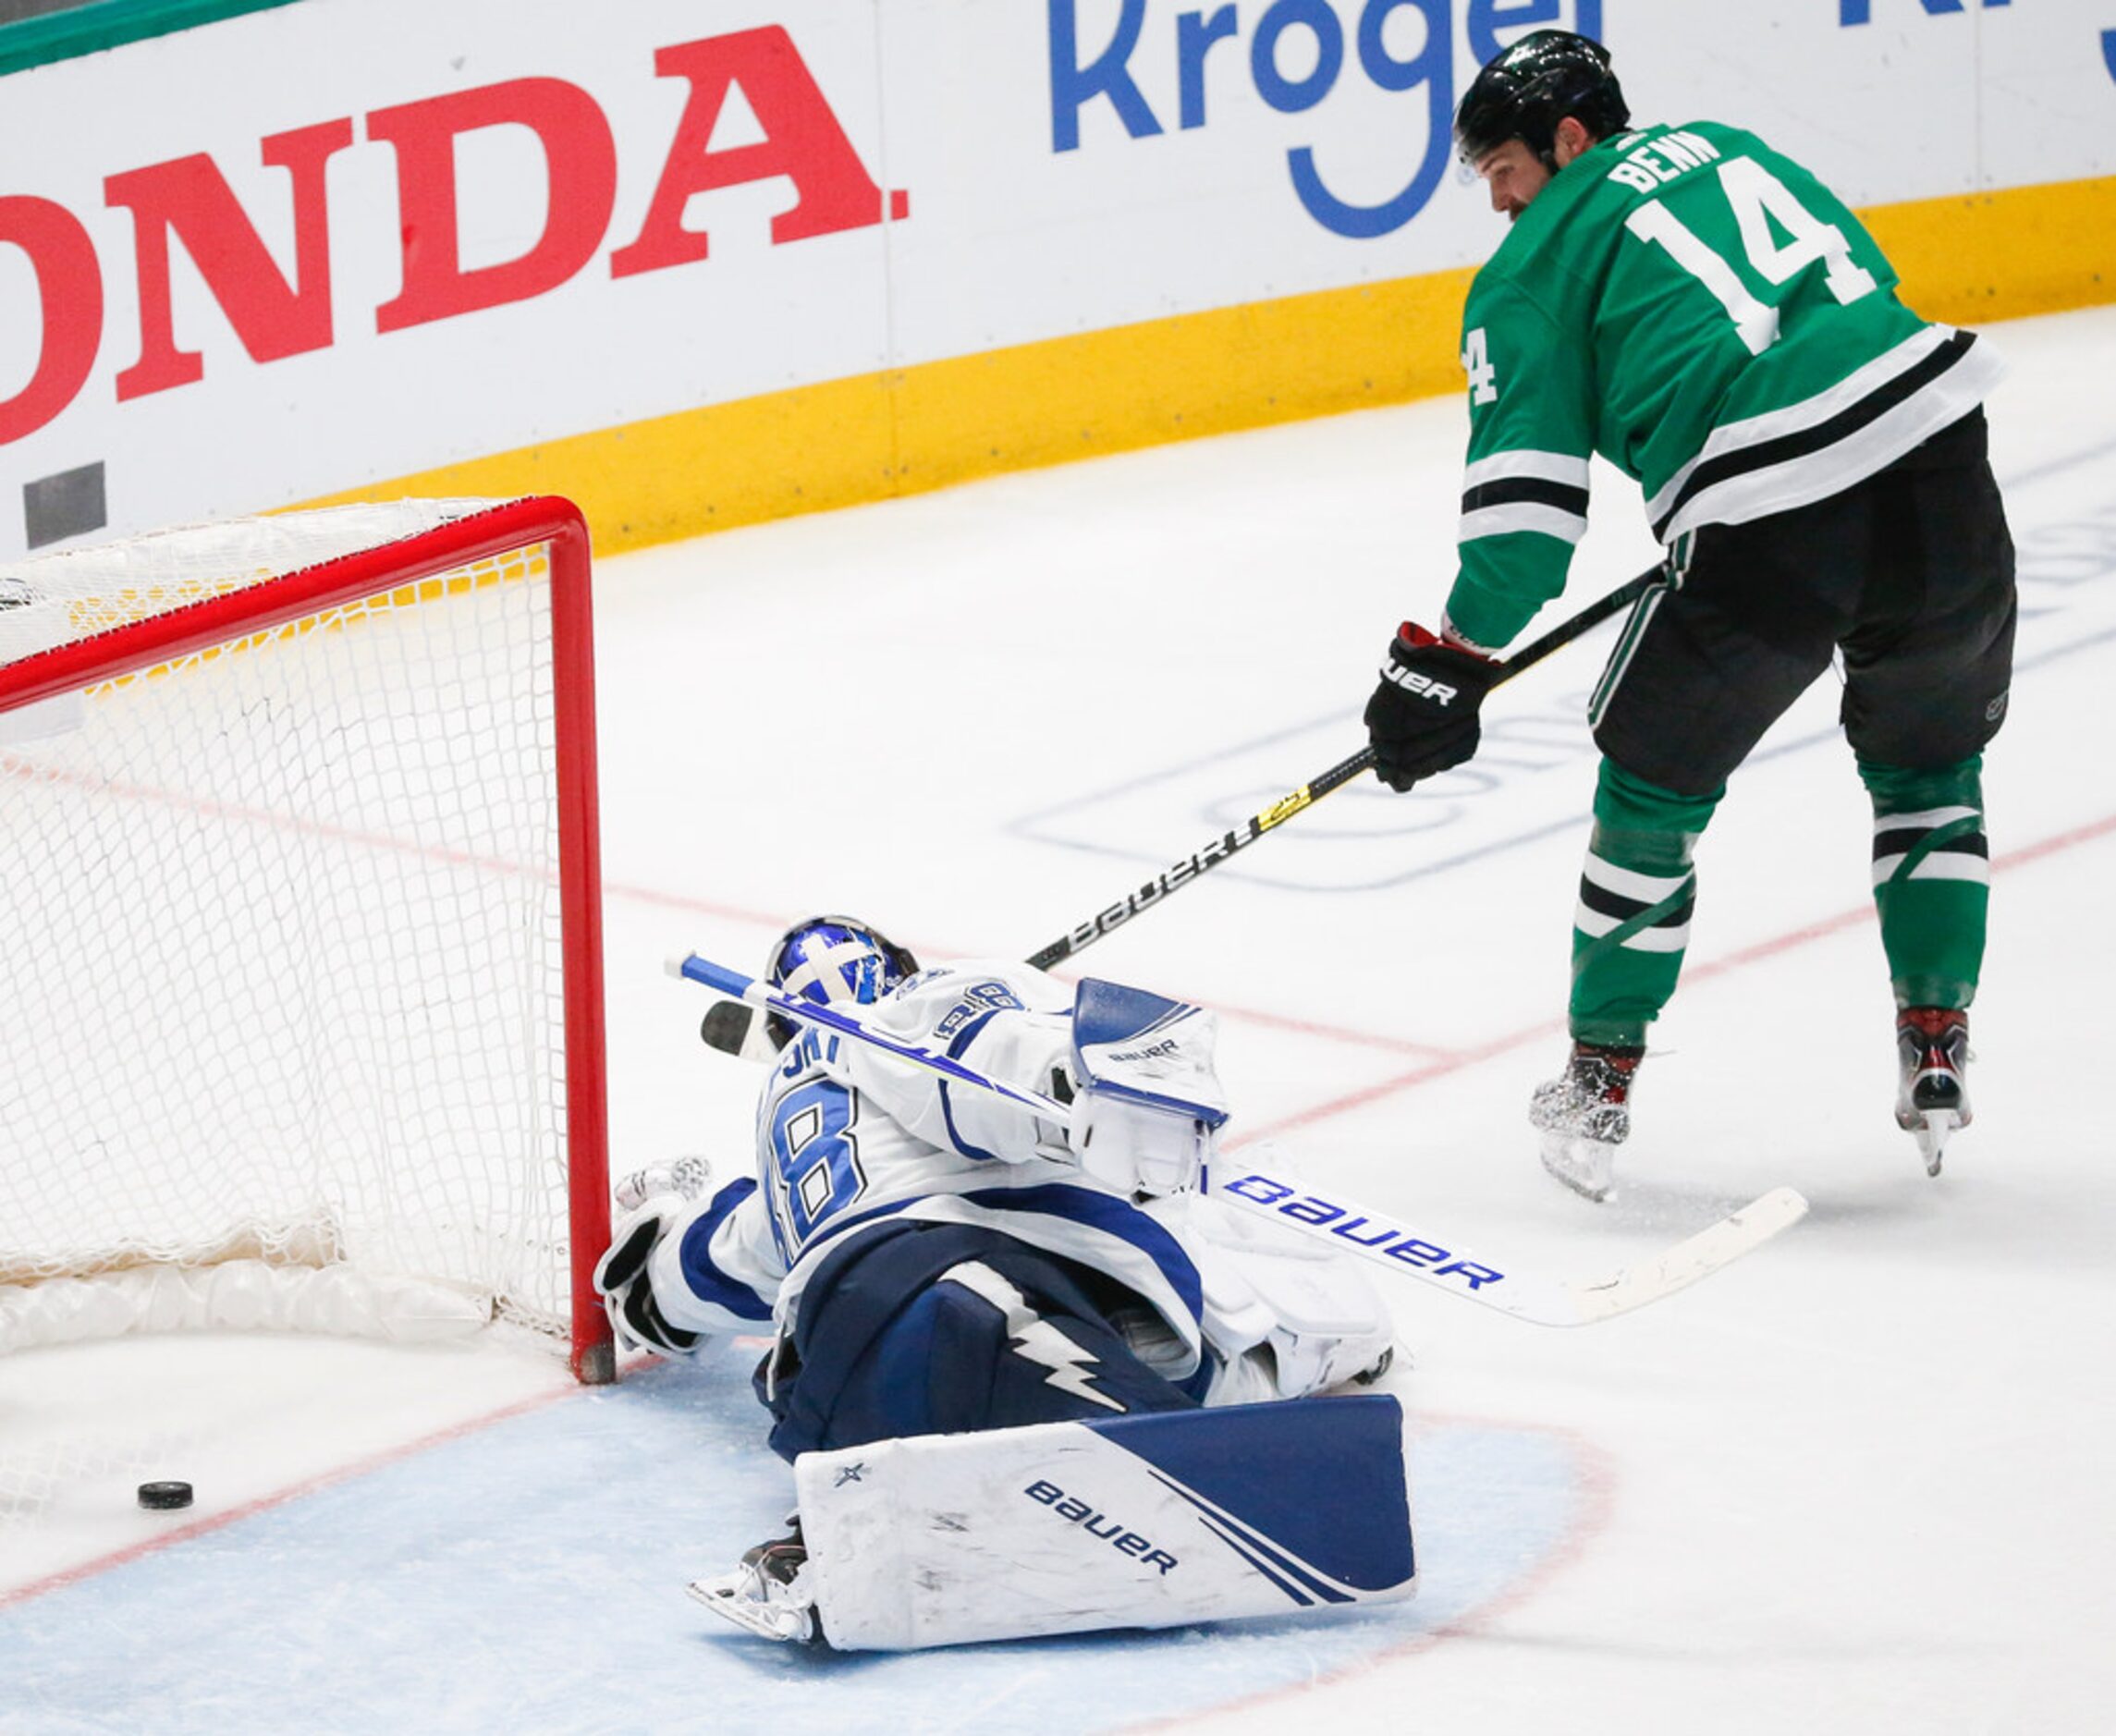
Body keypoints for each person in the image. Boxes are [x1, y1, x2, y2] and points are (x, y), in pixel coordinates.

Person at [1361, 31, 2014, 1201]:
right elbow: (1862, 298)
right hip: (1943, 460)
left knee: (1650, 795)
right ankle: (1934, 1042)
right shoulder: (1731, 145)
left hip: (1772, 516)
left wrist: (1449, 656)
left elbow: (1526, 521)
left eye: (1504, 167)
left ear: (1569, 140)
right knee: (1929, 765)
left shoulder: (1530, 271)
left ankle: (1600, 1081)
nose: (1499, 200)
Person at [594, 915, 1406, 1648]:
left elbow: (712, 1263)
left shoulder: (787, 1140)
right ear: (901, 967)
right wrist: (1102, 1080)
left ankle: (860, 1526)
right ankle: (1208, 1432)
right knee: (1229, 1352)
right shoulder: (906, 1011)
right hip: (962, 1293)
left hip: (842, 1375)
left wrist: (649, 1286)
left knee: (1189, 1358)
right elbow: (986, 1044)